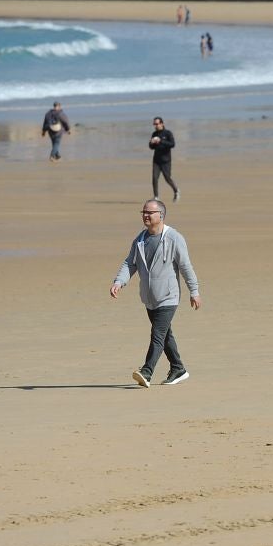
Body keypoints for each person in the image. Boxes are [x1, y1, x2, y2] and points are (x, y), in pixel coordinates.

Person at [110, 199, 200, 389]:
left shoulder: (174, 238)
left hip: (168, 296)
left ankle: (147, 371)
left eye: (150, 213)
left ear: (161, 215)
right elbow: (130, 263)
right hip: (149, 297)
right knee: (165, 335)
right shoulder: (140, 240)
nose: (145, 215)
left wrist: (194, 291)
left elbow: (185, 266)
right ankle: (178, 368)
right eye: (143, 212)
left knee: (157, 334)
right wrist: (119, 282)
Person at [149, 117, 179, 202]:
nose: (156, 125)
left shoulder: (168, 133)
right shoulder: (154, 134)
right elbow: (151, 147)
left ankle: (176, 190)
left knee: (167, 178)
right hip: (156, 160)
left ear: (162, 124)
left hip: (166, 160)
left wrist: (160, 141)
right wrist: (152, 143)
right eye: (154, 124)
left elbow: (172, 144)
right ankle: (156, 197)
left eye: (157, 124)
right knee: (154, 178)